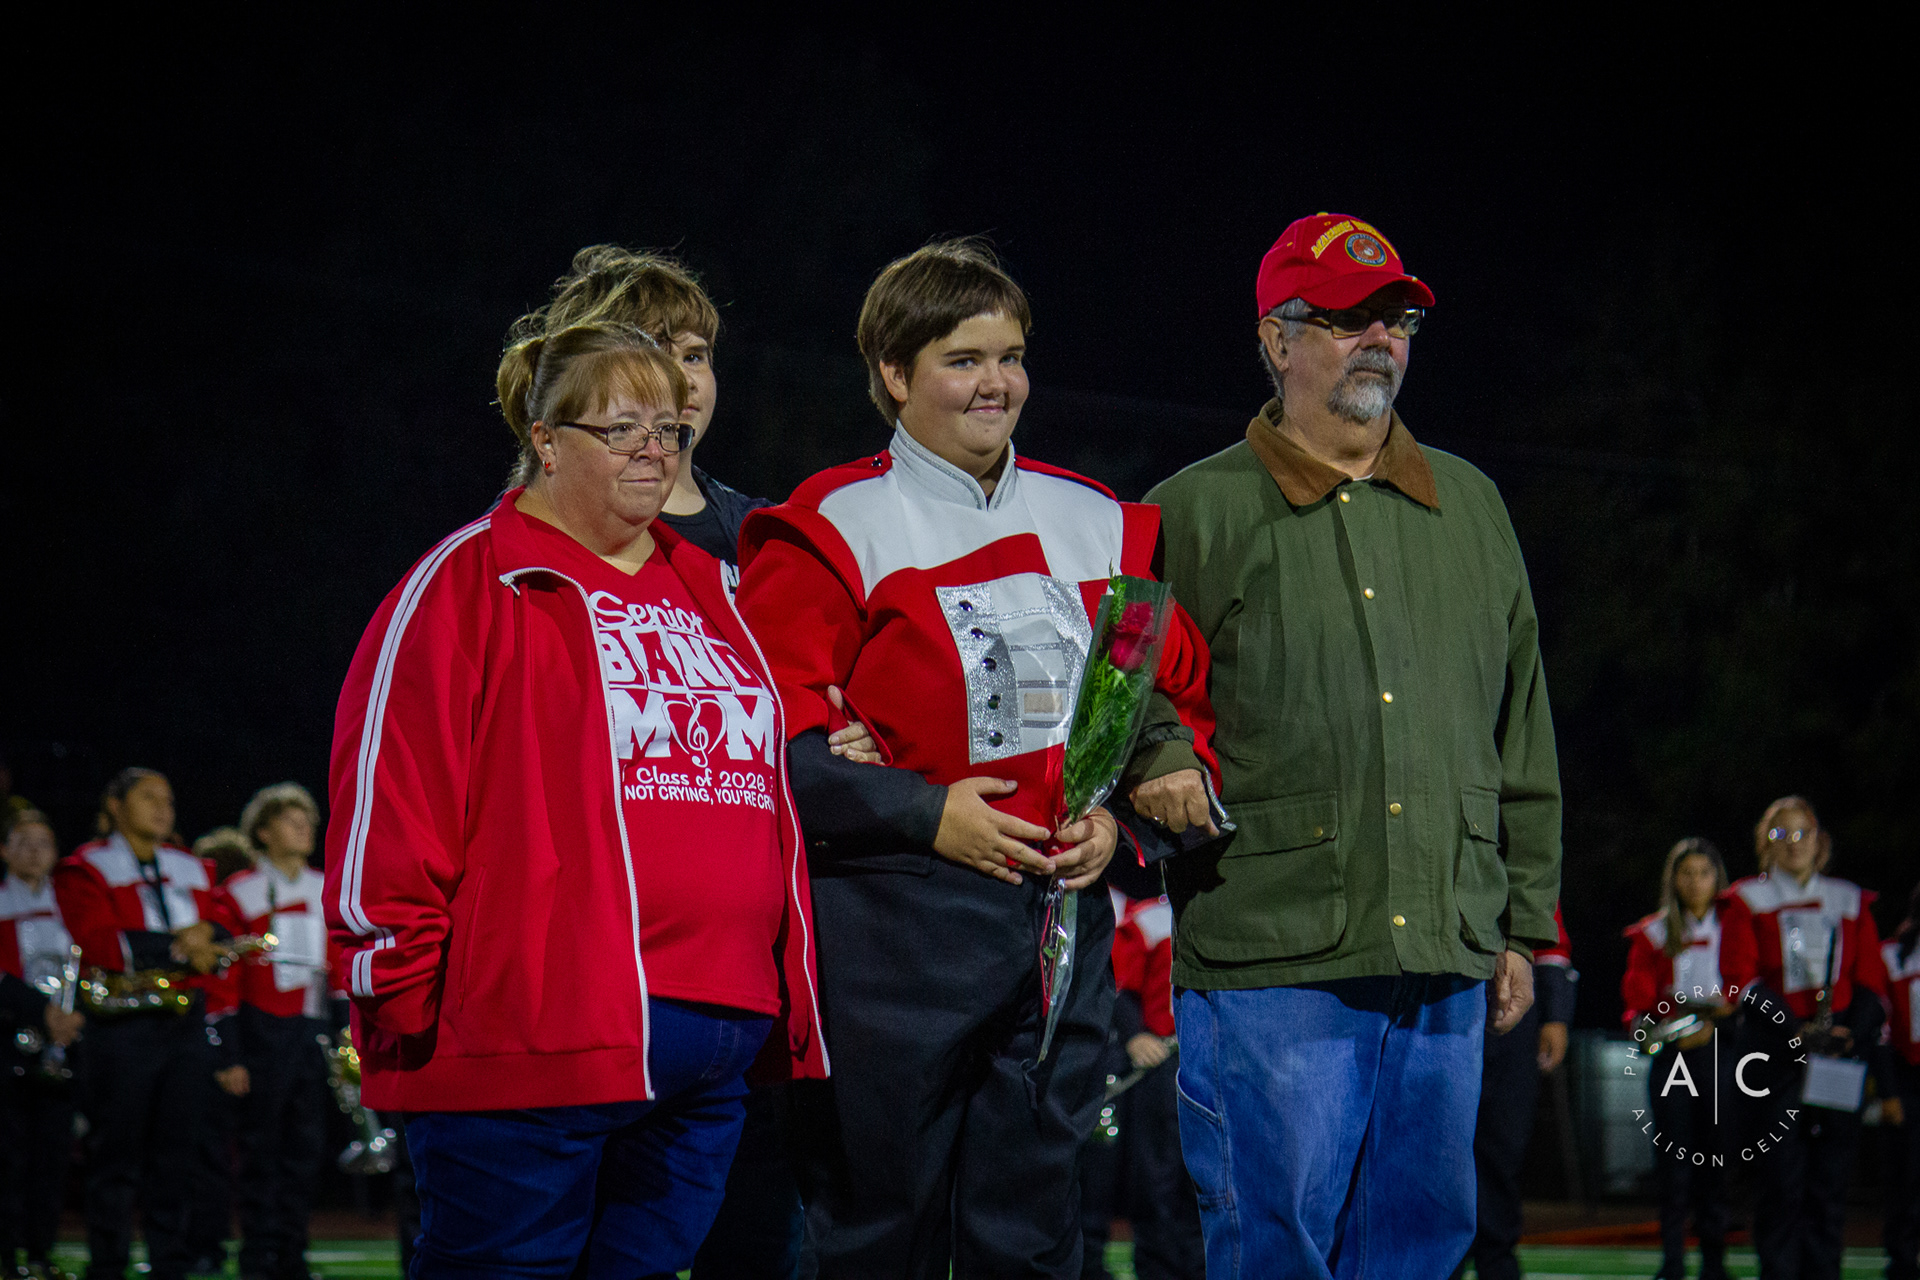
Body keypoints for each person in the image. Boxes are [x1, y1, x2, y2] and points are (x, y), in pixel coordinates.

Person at [736, 238, 1218, 1278]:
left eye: (1010, 356)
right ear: (893, 373)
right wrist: (925, 812)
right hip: (891, 931)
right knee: (876, 1237)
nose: (995, 382)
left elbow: (1160, 703)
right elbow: (772, 745)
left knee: (1034, 1238)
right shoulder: (828, 522)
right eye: (961, 359)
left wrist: (1118, 815)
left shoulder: (1099, 518)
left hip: (1061, 930)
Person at [322, 316, 834, 1278]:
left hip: (712, 1042)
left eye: (668, 429)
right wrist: (397, 990)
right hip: (527, 1039)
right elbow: (393, 794)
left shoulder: (716, 589)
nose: (655, 449)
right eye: (621, 427)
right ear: (546, 440)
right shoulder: (469, 580)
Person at [1141, 212, 1563, 1279]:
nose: (1380, 338)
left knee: (1422, 1252)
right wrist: (1158, 754)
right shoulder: (1186, 510)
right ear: (1275, 339)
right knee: (1276, 1250)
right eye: (1346, 318)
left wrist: (1524, 923)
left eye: (1397, 319)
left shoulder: (1472, 505)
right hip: (1274, 954)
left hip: (1448, 956)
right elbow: (1123, 691)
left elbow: (1521, 727)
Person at [508, 245, 805, 1276]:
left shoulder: (768, 540)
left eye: (698, 353)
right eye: (653, 350)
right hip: (576, 987)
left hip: (735, 990)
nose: (683, 379)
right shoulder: (525, 547)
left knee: (747, 1240)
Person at [53, 768, 247, 1280]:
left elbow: (227, 921)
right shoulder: (85, 866)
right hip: (122, 1028)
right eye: (148, 798)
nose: (164, 808)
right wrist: (187, 947)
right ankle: (108, 1263)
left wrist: (210, 933)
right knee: (115, 1154)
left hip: (183, 1024)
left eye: (169, 799)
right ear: (115, 805)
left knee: (178, 1153)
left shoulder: (190, 866)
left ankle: (170, 1263)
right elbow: (101, 942)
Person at [1720, 795, 1888, 1279]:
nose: (1792, 844)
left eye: (1802, 833)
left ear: (1819, 841)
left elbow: (1872, 981)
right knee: (1780, 1180)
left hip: (1837, 1058)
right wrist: (1793, 1031)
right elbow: (1740, 982)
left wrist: (1849, 1033)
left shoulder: (1849, 899)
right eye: (1780, 834)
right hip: (1777, 1059)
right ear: (1765, 844)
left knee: (1831, 1182)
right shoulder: (1746, 900)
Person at [1620, 841, 1756, 1280]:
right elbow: (1638, 997)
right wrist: (1646, 1025)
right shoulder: (1654, 933)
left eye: (1704, 873)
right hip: (1672, 1058)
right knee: (1673, 1165)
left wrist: (1714, 1024)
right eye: (1686, 873)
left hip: (1720, 1053)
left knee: (1717, 1163)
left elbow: (1744, 984)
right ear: (1673, 880)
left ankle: (1714, 1264)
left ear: (1718, 878)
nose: (1695, 882)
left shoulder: (1735, 926)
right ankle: (1673, 1263)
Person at [222, 782, 337, 1280]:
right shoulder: (240, 891)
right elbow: (225, 979)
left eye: (308, 820)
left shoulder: (326, 886)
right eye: (292, 820)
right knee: (260, 1148)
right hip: (262, 1029)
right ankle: (257, 1255)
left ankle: (292, 1255)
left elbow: (339, 965)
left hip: (314, 1027)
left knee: (305, 1150)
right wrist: (231, 1051)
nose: (306, 828)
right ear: (264, 832)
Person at [1081, 880, 1204, 1280]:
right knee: (1157, 1176)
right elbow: (1121, 984)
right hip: (1163, 1066)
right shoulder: (1150, 916)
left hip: (1207, 1063)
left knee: (1201, 1178)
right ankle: (1157, 1269)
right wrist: (1135, 1035)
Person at [1459, 905, 1579, 1280]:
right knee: (1444, 1144)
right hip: (1449, 998)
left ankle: (1498, 1262)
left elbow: (1548, 931)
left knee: (1503, 1144)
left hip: (1512, 1010)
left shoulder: (1522, 869)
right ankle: (1444, 1260)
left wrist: (1556, 1015)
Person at [1, 809, 84, 1280]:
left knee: (51, 1157)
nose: (35, 853)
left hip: (62, 1045)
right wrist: (40, 1011)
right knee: (9, 1158)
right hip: (9, 1043)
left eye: (44, 844)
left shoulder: (68, 904)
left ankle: (39, 1254)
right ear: (4, 850)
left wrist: (72, 1018)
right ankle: (7, 1257)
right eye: (24, 842)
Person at [1880, 882, 1919, 1280]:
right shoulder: (1892, 955)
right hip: (1907, 1078)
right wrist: (1888, 1090)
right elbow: (1882, 1032)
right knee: (1906, 1176)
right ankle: (1903, 1262)